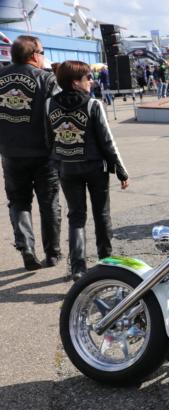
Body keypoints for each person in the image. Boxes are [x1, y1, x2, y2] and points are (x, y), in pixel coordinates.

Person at [47, 61, 129, 280]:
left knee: (76, 217)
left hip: (67, 167)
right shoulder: (93, 104)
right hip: (94, 167)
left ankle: (78, 268)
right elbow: (107, 141)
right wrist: (120, 170)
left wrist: (56, 163)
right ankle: (106, 261)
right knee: (101, 214)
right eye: (87, 78)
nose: (91, 82)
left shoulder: (49, 104)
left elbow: (49, 140)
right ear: (75, 82)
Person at [0, 35, 62, 270]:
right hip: (43, 153)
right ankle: (52, 253)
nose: (44, 56)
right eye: (42, 52)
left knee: (18, 202)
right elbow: (60, 112)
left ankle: (26, 246)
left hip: (10, 152)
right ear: (34, 55)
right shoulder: (46, 78)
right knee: (49, 203)